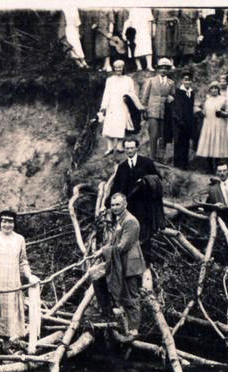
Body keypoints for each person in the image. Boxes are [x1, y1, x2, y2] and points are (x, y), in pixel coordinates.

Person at [0, 210, 40, 352]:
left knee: (9, 313)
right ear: (0, 223)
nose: (7, 224)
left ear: (14, 223)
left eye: (10, 221)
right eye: (4, 221)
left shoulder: (19, 239)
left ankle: (7, 344)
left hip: (12, 282)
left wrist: (30, 276)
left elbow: (23, 262)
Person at [92, 193, 145, 340]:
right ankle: (107, 313)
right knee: (96, 276)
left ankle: (134, 329)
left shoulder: (130, 221)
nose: (115, 208)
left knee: (131, 296)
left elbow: (122, 246)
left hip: (129, 264)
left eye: (118, 205)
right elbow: (114, 242)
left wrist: (104, 251)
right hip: (118, 261)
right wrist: (100, 251)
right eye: (113, 205)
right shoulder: (119, 219)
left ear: (125, 204)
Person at [104, 137, 164, 267]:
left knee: (145, 233)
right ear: (124, 149)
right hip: (129, 208)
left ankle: (146, 263)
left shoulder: (146, 163)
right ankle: (130, 263)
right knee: (128, 234)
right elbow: (116, 186)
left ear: (137, 148)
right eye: (127, 148)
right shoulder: (122, 167)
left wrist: (144, 181)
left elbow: (157, 179)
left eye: (132, 148)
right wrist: (108, 203)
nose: (129, 150)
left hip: (145, 206)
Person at [99, 59, 144, 156]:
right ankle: (110, 147)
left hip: (123, 106)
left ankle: (119, 146)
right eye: (116, 67)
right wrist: (104, 106)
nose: (118, 69)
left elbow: (132, 93)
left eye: (120, 67)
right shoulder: (110, 80)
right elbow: (107, 93)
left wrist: (135, 103)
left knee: (120, 125)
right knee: (109, 126)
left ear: (123, 68)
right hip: (111, 106)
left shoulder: (128, 80)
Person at [141, 57, 175, 161]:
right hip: (153, 110)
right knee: (154, 134)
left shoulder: (171, 83)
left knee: (163, 135)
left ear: (168, 70)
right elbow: (145, 96)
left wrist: (172, 98)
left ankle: (161, 156)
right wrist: (144, 109)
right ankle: (152, 157)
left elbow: (174, 95)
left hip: (165, 111)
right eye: (161, 68)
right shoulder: (151, 80)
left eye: (166, 68)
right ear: (158, 69)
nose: (163, 70)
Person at [196, 80, 228, 172]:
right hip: (208, 126)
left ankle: (218, 167)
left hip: (219, 125)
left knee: (218, 144)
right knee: (209, 144)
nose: (214, 90)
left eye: (216, 88)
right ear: (210, 90)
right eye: (212, 88)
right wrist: (199, 112)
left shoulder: (223, 99)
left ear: (218, 89)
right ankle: (209, 167)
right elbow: (203, 111)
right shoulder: (207, 100)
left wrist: (222, 113)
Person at [172, 70, 197, 168]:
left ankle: (184, 164)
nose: (187, 82)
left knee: (186, 143)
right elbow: (177, 108)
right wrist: (180, 120)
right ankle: (178, 164)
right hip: (179, 121)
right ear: (182, 81)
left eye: (189, 80)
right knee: (178, 143)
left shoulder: (191, 93)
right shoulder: (178, 92)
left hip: (188, 121)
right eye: (185, 80)